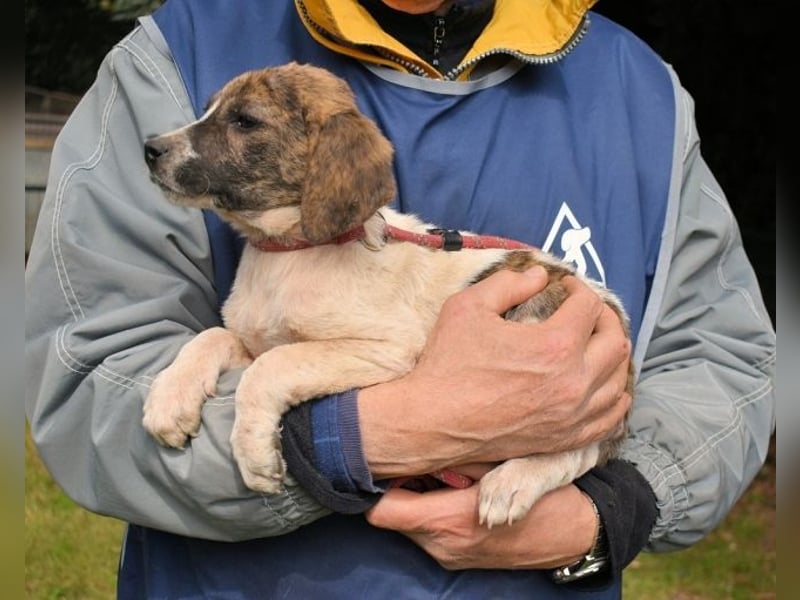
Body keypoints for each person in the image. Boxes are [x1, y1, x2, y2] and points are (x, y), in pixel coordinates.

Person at [25, 0, 776, 598]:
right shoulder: (177, 50)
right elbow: (91, 382)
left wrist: (606, 512)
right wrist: (350, 438)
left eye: (243, 124)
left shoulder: (640, 92)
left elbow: (726, 356)